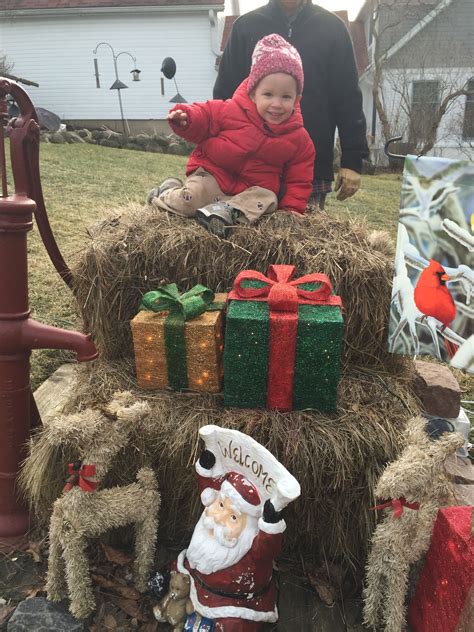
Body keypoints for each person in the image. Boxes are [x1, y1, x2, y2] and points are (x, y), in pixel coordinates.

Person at [147, 33, 314, 237]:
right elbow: (204, 116)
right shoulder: (229, 110)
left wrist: (292, 209)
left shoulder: (299, 139)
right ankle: (165, 193)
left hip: (249, 193)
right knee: (190, 201)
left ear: (297, 98)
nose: (277, 104)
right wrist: (186, 119)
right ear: (253, 93)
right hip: (213, 177)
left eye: (286, 97)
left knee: (269, 197)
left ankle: (226, 212)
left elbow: (300, 178)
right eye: (268, 94)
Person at [214, 0, 369, 210]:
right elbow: (224, 97)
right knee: (243, 240)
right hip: (249, 166)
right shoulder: (246, 27)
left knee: (305, 242)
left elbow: (348, 97)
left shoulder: (333, 29)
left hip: (309, 172)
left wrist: (352, 160)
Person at [176, 448, 286, 632]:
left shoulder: (252, 544)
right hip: (196, 577)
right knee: (177, 579)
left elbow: (268, 548)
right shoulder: (212, 515)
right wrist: (205, 468)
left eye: (233, 517)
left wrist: (271, 524)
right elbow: (209, 491)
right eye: (220, 505)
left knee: (234, 627)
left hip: (233, 600)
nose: (219, 518)